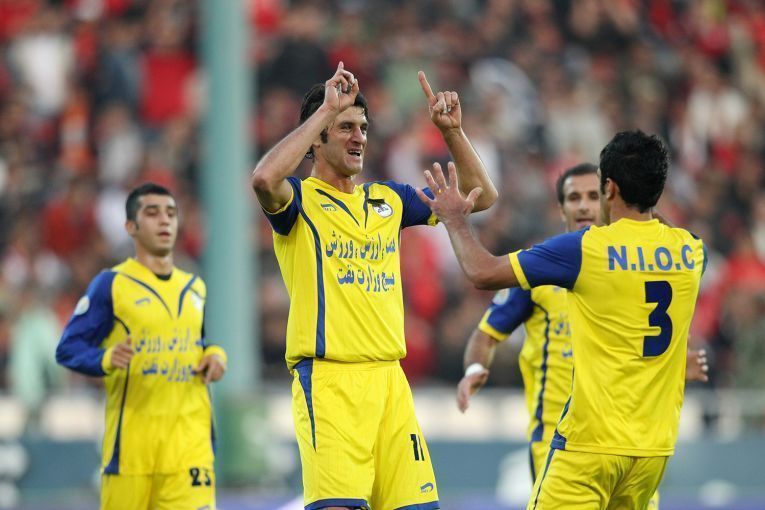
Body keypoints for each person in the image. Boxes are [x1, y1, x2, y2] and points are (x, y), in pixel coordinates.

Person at [251, 62, 497, 510]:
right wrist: (326, 110)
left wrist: (453, 133)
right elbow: (264, 179)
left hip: (390, 383)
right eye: (345, 127)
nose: (359, 137)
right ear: (318, 137)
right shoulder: (299, 202)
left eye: (363, 128)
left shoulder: (389, 199)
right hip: (330, 384)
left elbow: (481, 195)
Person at [418, 131, 706, 509]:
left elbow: (481, 272)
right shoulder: (692, 252)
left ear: (609, 189)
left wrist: (455, 220)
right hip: (653, 452)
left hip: (589, 447)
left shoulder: (585, 250)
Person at [55, 183, 227, 510]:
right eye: (152, 213)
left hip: (189, 447)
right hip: (132, 452)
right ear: (131, 227)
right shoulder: (112, 284)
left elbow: (198, 341)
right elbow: (68, 348)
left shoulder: (195, 286)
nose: (164, 220)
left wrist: (215, 355)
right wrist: (106, 357)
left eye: (171, 213)